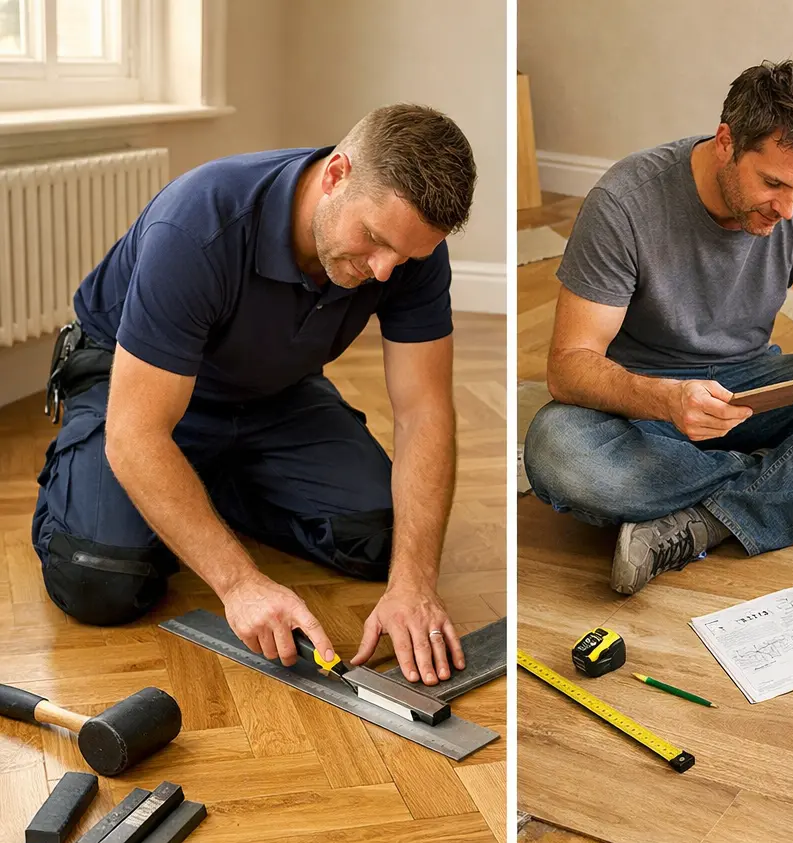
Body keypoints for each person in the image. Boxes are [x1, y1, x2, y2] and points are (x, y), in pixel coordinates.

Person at [33, 103, 477, 686]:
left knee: (385, 540)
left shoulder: (407, 250)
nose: (386, 270)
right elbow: (136, 432)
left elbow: (424, 412)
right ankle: (146, 489)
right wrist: (239, 584)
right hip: (132, 389)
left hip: (273, 393)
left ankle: (205, 485)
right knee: (100, 579)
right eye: (372, 240)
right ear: (337, 174)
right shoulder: (197, 226)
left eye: (407, 256)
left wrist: (414, 584)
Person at [524, 60, 793, 596]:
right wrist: (666, 400)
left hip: (754, 386)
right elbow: (569, 366)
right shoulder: (625, 203)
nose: (789, 208)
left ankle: (710, 518)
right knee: (558, 451)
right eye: (772, 183)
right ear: (726, 141)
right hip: (648, 404)